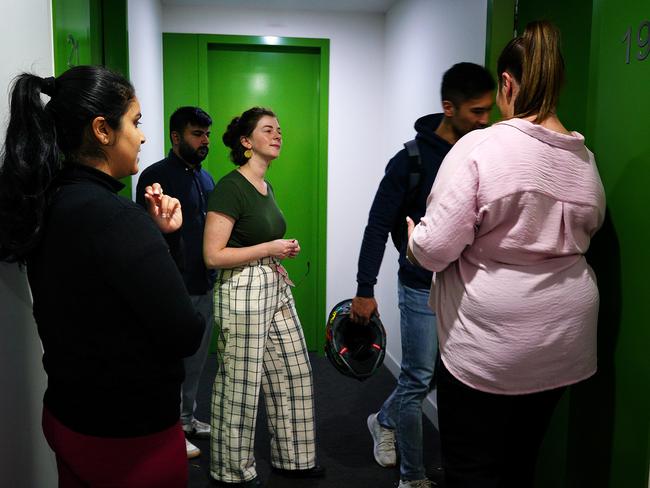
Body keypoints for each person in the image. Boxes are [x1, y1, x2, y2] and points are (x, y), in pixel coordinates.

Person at [407, 21, 605, 488]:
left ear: (508, 84)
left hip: (492, 347)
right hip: (565, 341)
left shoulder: (482, 145)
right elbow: (586, 230)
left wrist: (416, 239)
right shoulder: (585, 160)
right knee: (522, 463)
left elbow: (436, 250)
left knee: (472, 468)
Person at [0, 66, 205, 487]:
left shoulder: (50, 201)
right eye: (136, 122)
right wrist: (162, 242)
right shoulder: (117, 219)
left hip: (67, 415)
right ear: (102, 130)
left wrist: (158, 239)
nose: (143, 136)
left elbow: (102, 299)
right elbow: (185, 332)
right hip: (128, 438)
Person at [350, 62, 495, 488]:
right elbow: (377, 225)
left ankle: (384, 420)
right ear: (449, 108)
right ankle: (412, 477)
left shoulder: (481, 152)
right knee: (417, 377)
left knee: (430, 374)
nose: (485, 121)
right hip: (419, 284)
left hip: (466, 287)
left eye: (489, 111)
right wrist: (364, 289)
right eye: (477, 112)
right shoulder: (409, 161)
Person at [203, 107, 323, 487]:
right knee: (240, 383)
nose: (277, 135)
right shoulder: (230, 186)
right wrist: (268, 247)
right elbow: (213, 256)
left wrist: (275, 255)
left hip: (271, 284)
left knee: (293, 370)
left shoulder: (265, 186)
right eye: (268, 130)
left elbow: (253, 242)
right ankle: (230, 471)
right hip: (241, 291)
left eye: (279, 130)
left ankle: (294, 458)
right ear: (246, 141)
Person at [136, 106, 215, 459]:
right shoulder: (155, 177)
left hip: (205, 281)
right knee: (171, 363)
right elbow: (145, 235)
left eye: (207, 135)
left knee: (197, 360)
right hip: (172, 286)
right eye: (197, 134)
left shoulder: (208, 178)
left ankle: (186, 418)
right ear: (176, 137)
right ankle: (169, 429)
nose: (204, 141)